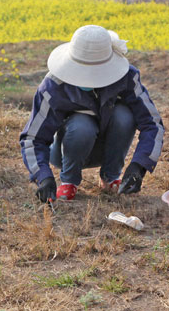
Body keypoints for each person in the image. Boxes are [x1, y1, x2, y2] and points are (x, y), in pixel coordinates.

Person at [20, 25, 164, 202]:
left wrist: (138, 167)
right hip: (68, 148)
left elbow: (152, 124)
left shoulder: (126, 77)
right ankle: (69, 181)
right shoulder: (54, 86)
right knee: (82, 124)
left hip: (110, 146)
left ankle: (110, 177)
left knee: (124, 115)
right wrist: (43, 177)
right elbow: (32, 138)